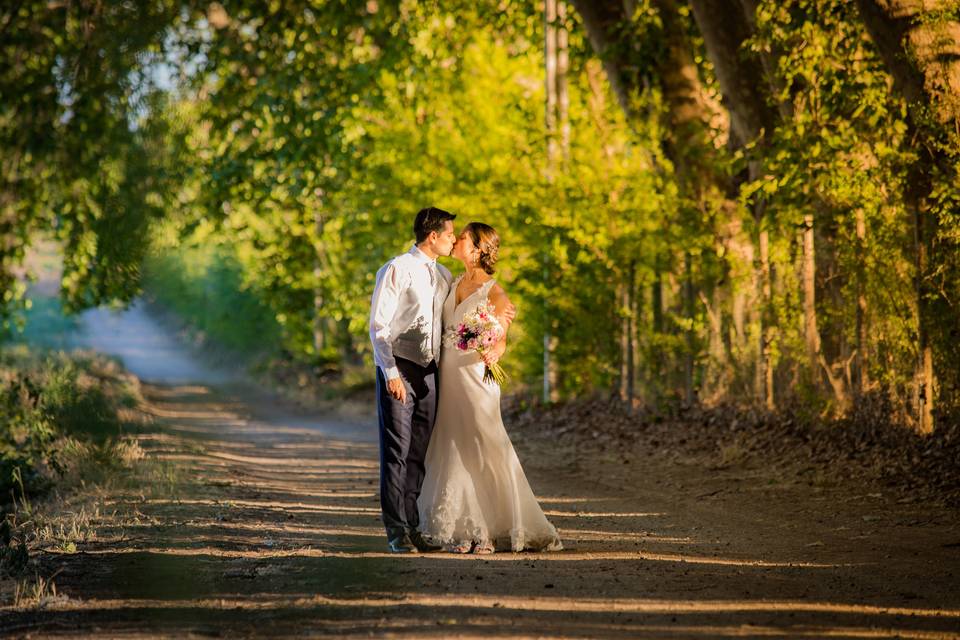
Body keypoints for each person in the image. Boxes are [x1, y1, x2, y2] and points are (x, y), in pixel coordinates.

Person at [418, 222, 563, 554]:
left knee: (484, 444)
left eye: (462, 237)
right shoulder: (450, 282)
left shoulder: (494, 291)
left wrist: (498, 346)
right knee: (453, 444)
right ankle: (468, 529)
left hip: (474, 379)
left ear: (478, 247)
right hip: (448, 378)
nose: (455, 241)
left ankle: (494, 528)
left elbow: (500, 337)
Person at [369, 207, 457, 553]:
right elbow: (379, 326)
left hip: (430, 371)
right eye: (450, 234)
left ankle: (413, 523)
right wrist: (390, 372)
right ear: (432, 236)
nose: (453, 239)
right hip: (400, 368)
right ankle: (396, 530)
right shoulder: (396, 269)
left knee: (419, 451)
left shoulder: (444, 276)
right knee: (397, 450)